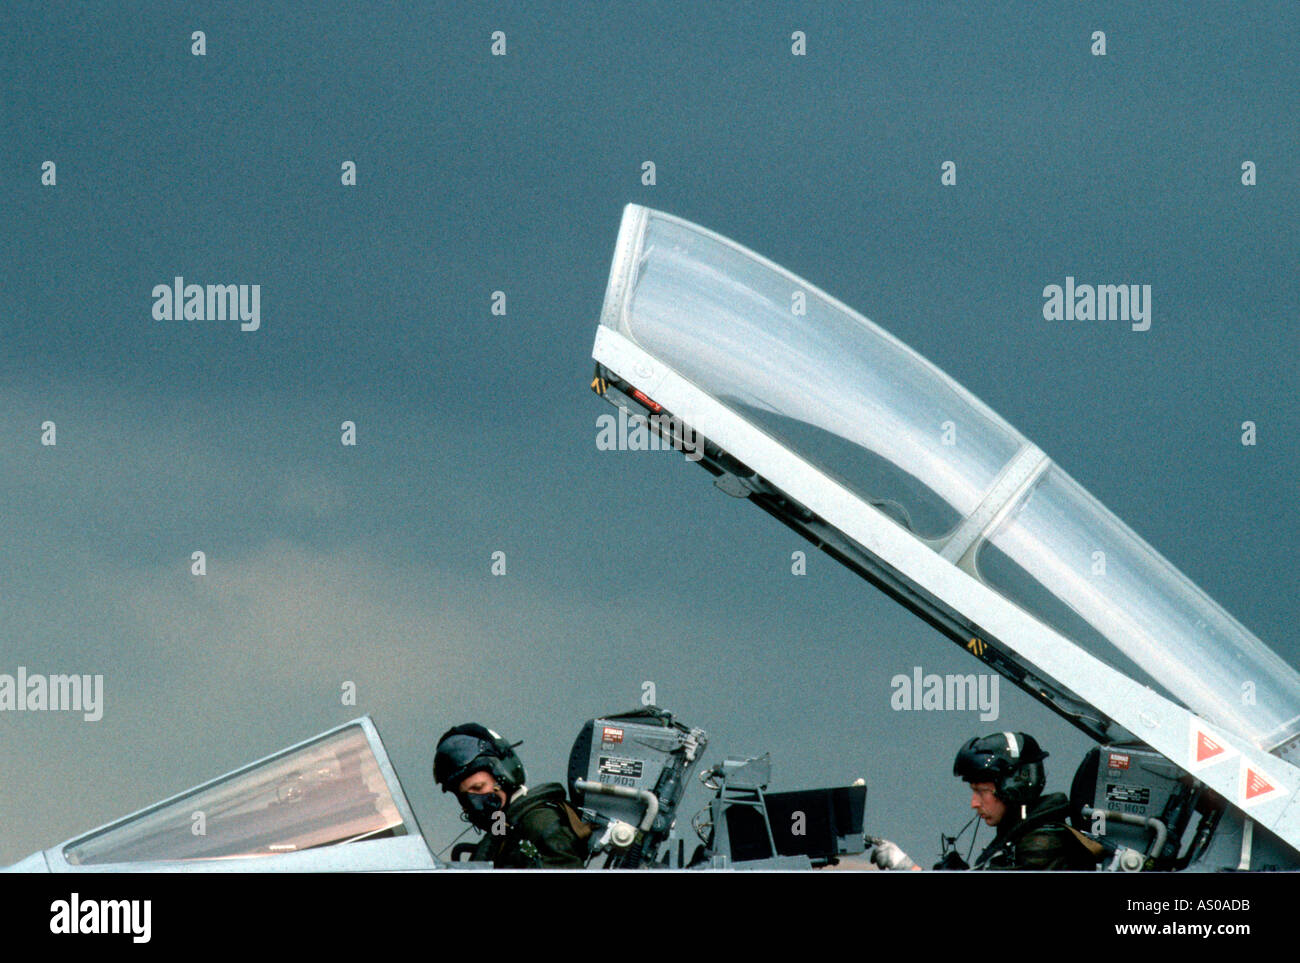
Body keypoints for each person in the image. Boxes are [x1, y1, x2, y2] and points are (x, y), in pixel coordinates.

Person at [433, 723, 589, 868]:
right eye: (466, 796)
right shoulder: (502, 830)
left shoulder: (539, 821)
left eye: (479, 787)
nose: (475, 803)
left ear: (504, 775)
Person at [952, 731, 1101, 870]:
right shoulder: (1019, 837)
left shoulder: (1040, 846)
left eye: (982, 791)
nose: (974, 803)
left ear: (1014, 787)